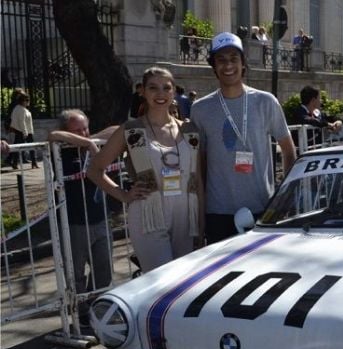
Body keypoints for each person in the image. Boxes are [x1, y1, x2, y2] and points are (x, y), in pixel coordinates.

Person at [88, 67, 204, 274]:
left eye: (166, 88)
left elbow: (198, 179)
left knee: (183, 281)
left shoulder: (189, 130)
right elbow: (95, 170)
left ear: (174, 92)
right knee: (162, 280)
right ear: (142, 91)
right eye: (153, 88)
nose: (160, 94)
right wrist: (123, 195)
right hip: (148, 214)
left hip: (186, 214)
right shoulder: (131, 130)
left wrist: (202, 224)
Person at [190, 32, 296, 244]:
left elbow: (288, 149)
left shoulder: (266, 102)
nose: (228, 65)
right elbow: (198, 164)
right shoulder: (200, 109)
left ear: (243, 63)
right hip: (218, 212)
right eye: (221, 60)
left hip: (263, 209)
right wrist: (200, 214)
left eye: (233, 58)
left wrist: (285, 198)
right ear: (213, 66)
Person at [48, 109, 117, 295]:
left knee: (104, 267)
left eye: (85, 128)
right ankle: (79, 312)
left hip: (100, 217)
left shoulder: (95, 145)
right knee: (75, 271)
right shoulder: (61, 151)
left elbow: (117, 129)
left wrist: (90, 140)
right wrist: (86, 142)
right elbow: (53, 135)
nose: (83, 133)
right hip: (73, 222)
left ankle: (96, 304)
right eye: (77, 131)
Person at [8, 90, 36, 168]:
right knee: (32, 147)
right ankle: (33, 163)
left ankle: (15, 163)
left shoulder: (19, 108)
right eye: (27, 100)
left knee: (17, 147)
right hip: (25, 131)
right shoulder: (22, 110)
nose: (28, 102)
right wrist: (25, 133)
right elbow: (22, 122)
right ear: (23, 101)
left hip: (20, 131)